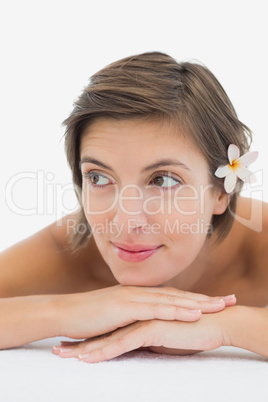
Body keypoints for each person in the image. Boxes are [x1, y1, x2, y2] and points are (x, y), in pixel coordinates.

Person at [0, 51, 267, 363]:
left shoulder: (260, 241)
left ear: (221, 191)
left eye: (163, 181)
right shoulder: (72, 250)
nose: (126, 221)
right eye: (98, 177)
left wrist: (223, 327)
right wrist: (64, 311)